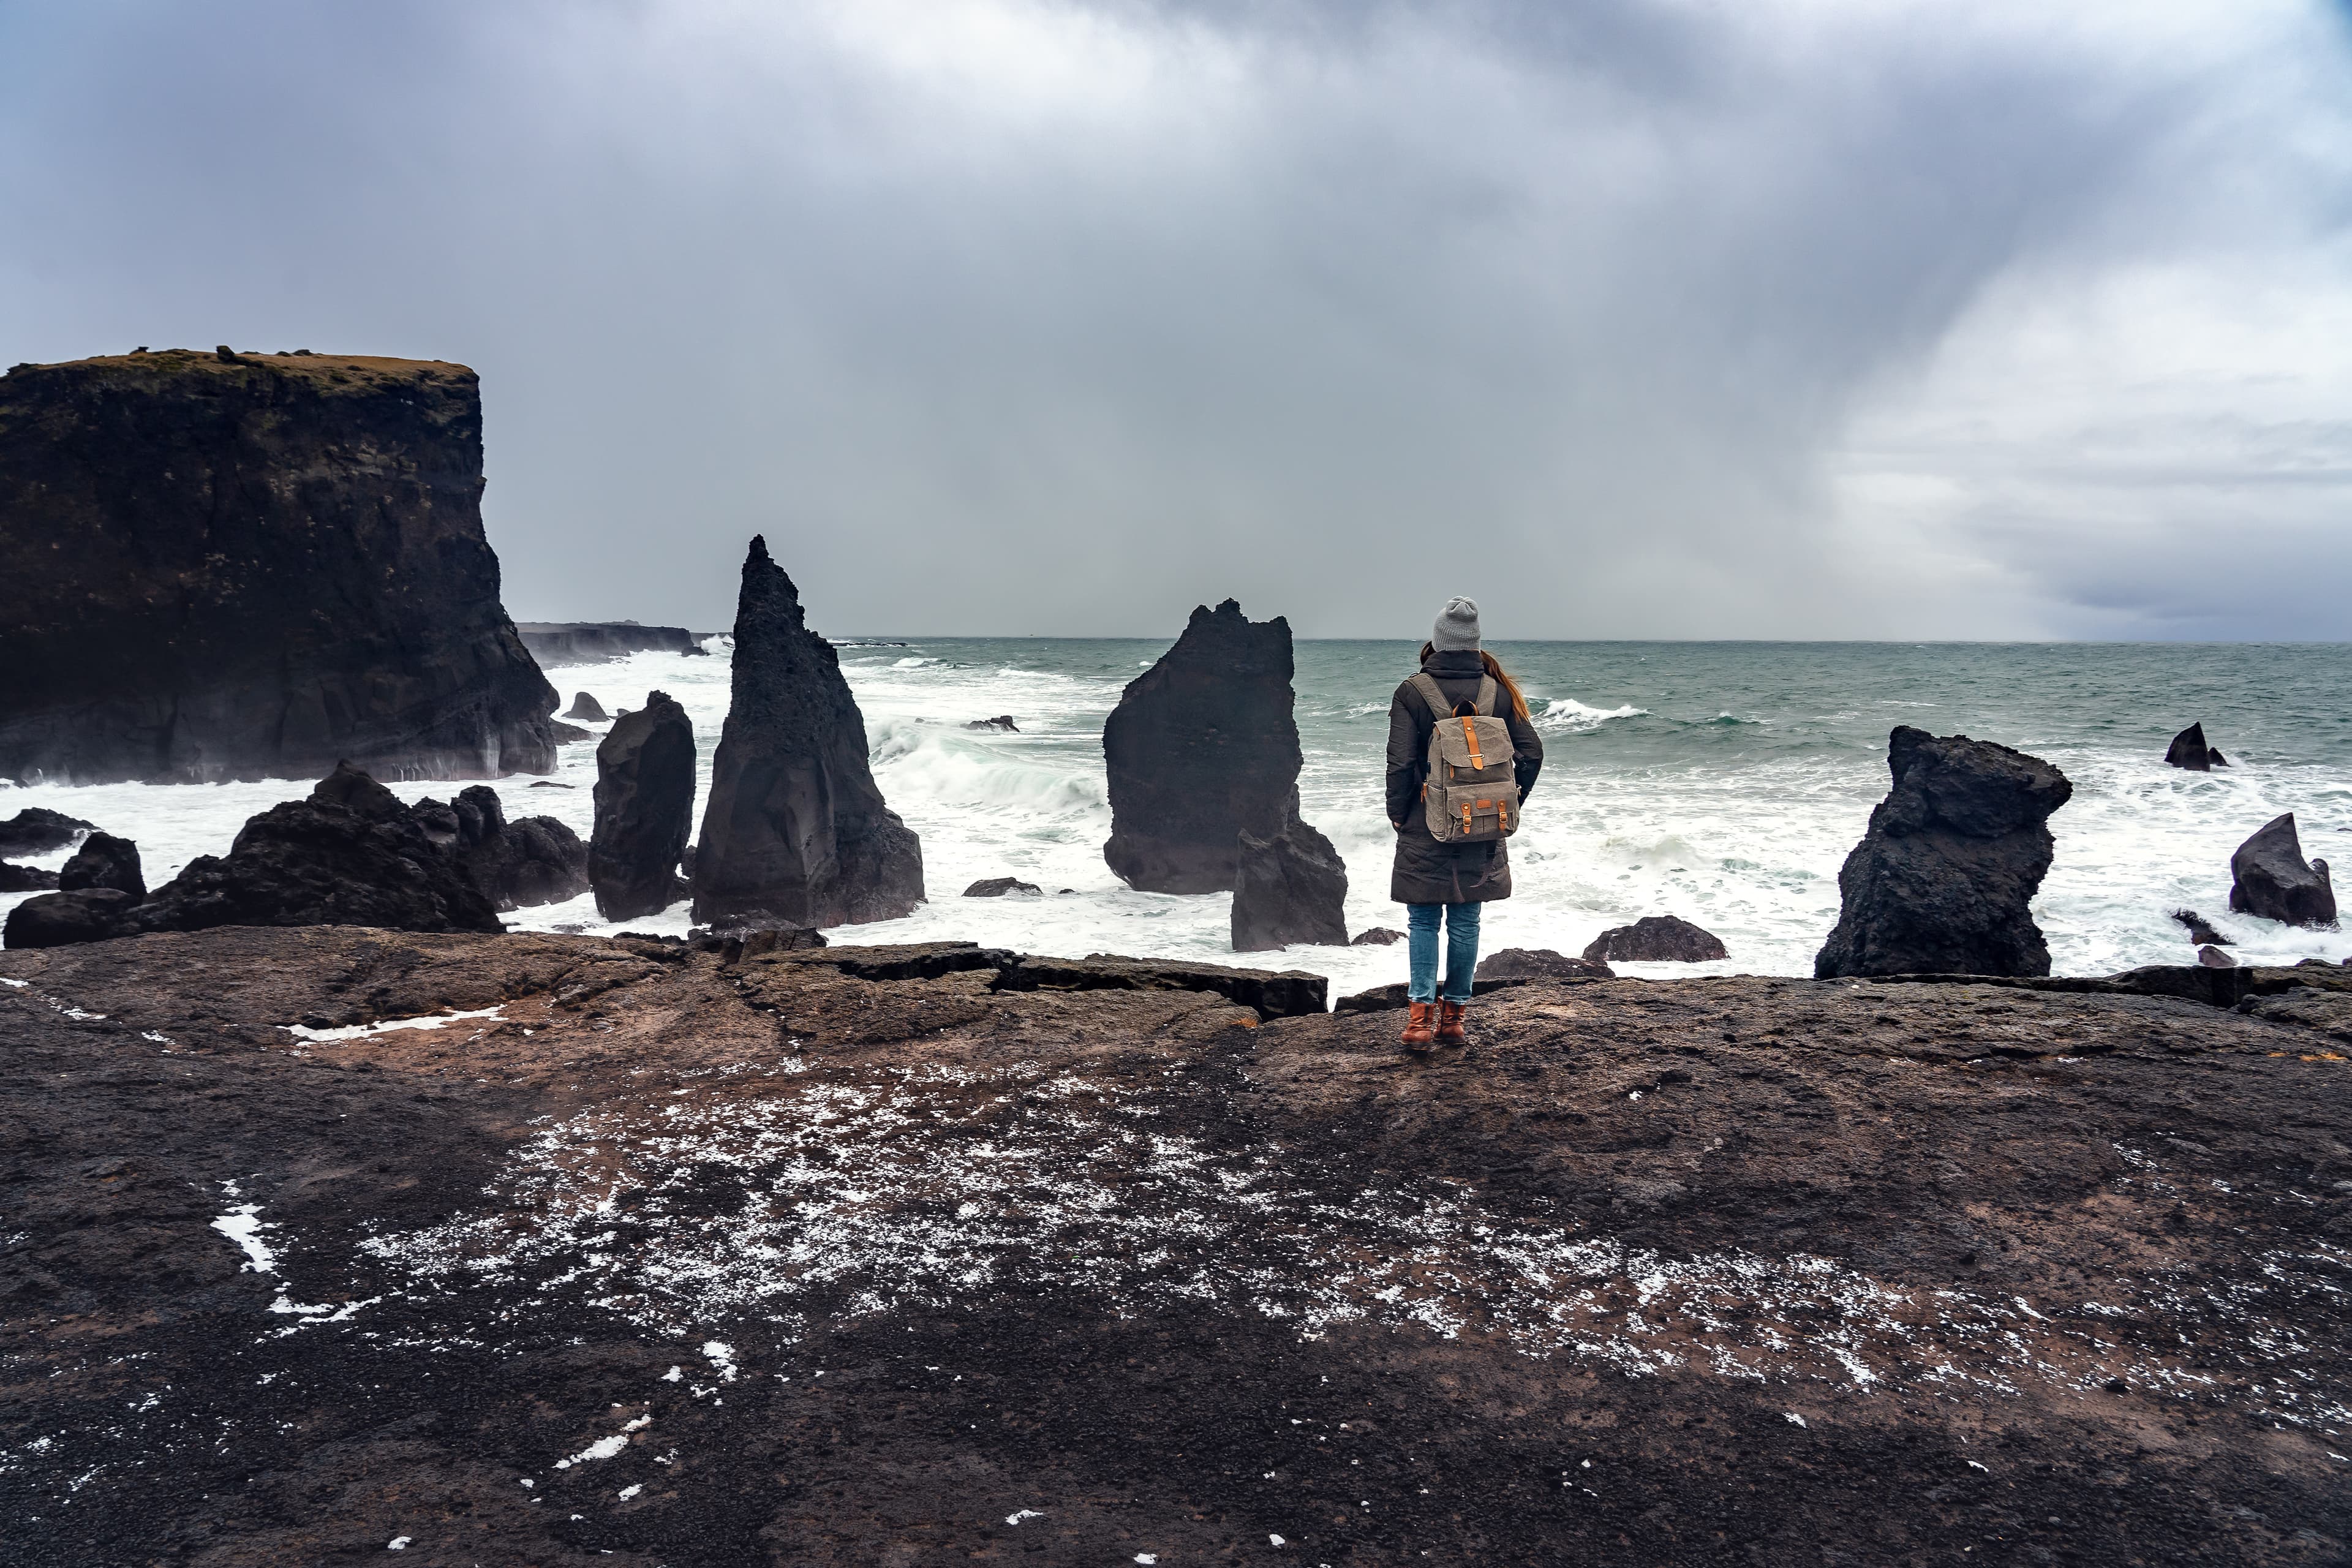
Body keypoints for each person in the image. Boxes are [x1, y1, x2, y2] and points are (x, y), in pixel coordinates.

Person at [1384, 597, 1543, 1051]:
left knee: (1422, 919)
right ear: (1475, 643)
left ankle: (1419, 1023)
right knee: (1467, 920)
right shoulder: (1497, 690)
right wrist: (1510, 802)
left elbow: (1399, 763)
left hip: (1424, 820)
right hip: (1485, 821)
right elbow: (1532, 753)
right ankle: (1454, 1020)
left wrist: (1399, 812)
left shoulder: (1413, 691)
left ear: (1438, 641)